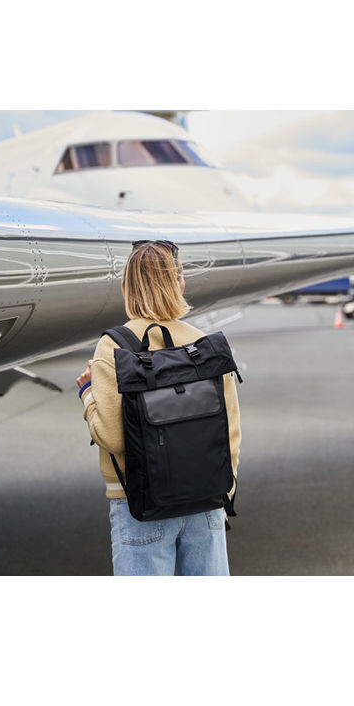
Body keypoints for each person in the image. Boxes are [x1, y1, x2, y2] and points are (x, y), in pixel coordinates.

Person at [76, 240, 241, 576]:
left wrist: (87, 393)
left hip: (139, 501)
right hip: (207, 496)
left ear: (127, 287)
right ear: (179, 283)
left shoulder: (114, 346)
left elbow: (113, 437)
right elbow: (230, 431)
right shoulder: (204, 344)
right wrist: (224, 491)